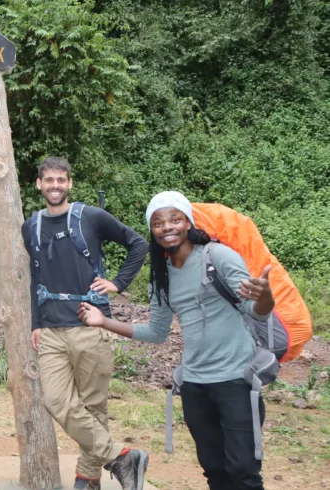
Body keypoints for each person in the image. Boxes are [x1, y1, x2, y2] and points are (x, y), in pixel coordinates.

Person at [78, 190, 274, 490]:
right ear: (152, 231)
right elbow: (157, 332)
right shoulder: (162, 276)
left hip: (236, 380)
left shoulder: (218, 257)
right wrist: (104, 322)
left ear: (188, 223)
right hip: (195, 385)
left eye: (174, 219)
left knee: (244, 471)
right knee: (214, 470)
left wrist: (265, 296)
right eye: (157, 223)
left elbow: (257, 311)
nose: (167, 227)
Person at [21, 157, 151, 490]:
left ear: (70, 183)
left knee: (93, 408)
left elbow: (138, 244)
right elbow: (36, 276)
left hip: (91, 325)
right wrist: (36, 323)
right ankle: (122, 456)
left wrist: (118, 283)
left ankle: (87, 479)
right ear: (39, 184)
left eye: (61, 180)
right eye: (49, 180)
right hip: (51, 331)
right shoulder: (31, 226)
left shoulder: (90, 217)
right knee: (56, 401)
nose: (55, 186)